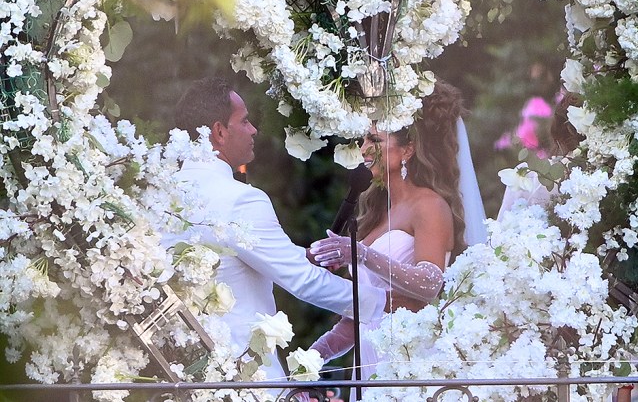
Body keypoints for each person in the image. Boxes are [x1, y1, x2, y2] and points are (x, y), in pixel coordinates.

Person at [161, 77, 388, 380]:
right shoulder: (241, 198)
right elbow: (304, 282)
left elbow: (233, 260)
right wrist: (381, 301)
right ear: (219, 132)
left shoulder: (163, 194)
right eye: (244, 121)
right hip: (245, 376)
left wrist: (304, 255)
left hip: (185, 374)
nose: (253, 129)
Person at [308, 80, 487, 384]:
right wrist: (311, 359)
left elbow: (430, 284)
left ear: (407, 149)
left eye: (374, 140)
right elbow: (361, 317)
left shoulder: (429, 205)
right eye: (362, 140)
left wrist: (361, 254)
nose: (363, 149)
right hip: (368, 364)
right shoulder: (377, 213)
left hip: (409, 361)